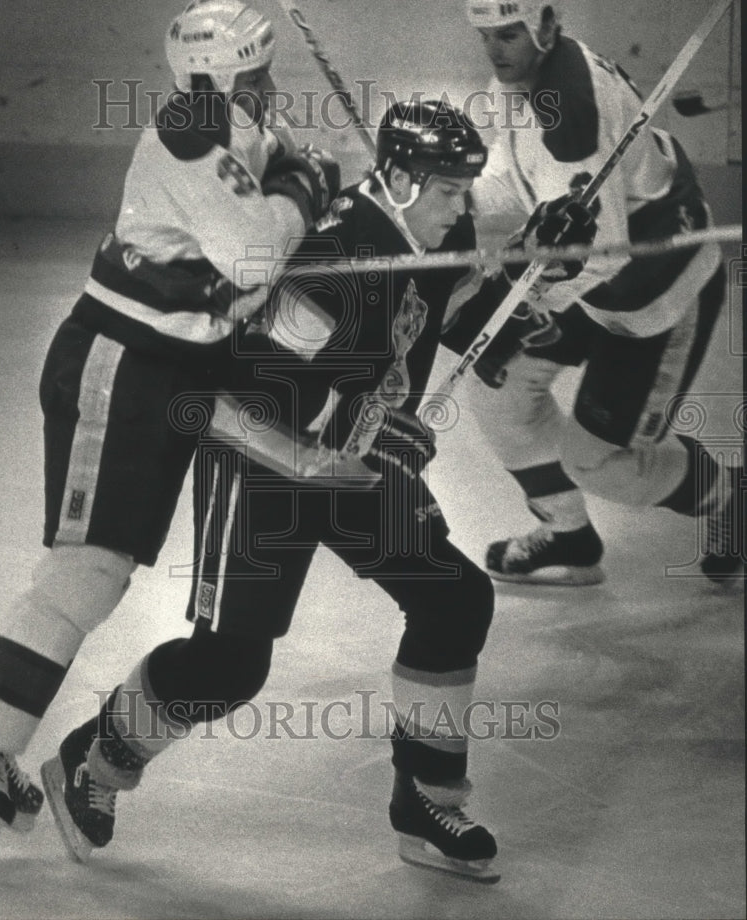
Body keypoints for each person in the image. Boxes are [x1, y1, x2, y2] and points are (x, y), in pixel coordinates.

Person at [35, 99, 557, 884]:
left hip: (353, 468)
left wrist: (532, 263)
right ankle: (98, 757)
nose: (464, 207)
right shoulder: (335, 258)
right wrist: (371, 427)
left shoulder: (431, 231)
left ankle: (425, 799)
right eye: (451, 190)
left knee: (453, 598)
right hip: (264, 467)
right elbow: (253, 391)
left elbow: (449, 308)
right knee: (230, 666)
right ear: (406, 181)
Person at [0, 0, 341, 843]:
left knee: (101, 572)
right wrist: (304, 184)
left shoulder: (233, 125)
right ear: (214, 79)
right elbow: (256, 249)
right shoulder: (188, 135)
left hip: (163, 370)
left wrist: (308, 179)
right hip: (119, 370)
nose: (268, 86)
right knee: (85, 572)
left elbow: (277, 193)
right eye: (254, 74)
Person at [462, 0, 742, 588]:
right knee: (498, 386)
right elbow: (520, 183)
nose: (495, 50)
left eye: (507, 34)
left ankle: (734, 499)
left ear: (546, 23)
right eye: (486, 35)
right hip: (585, 287)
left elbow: (601, 255)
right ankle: (569, 537)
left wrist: (520, 298)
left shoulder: (571, 117)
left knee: (602, 463)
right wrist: (456, 202)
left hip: (655, 297)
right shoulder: (524, 80)